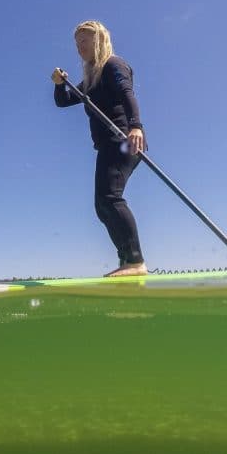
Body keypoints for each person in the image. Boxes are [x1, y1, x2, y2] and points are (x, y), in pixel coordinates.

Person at [52, 20, 149, 277]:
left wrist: (136, 126)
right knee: (102, 205)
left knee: (110, 198)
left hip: (123, 139)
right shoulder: (91, 78)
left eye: (85, 40)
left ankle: (136, 263)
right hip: (107, 144)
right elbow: (63, 102)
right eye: (77, 43)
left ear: (100, 40)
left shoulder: (113, 65)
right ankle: (127, 262)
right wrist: (59, 83)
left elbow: (128, 93)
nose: (80, 46)